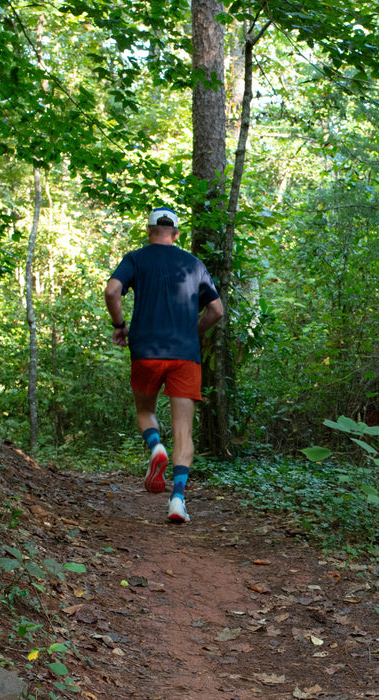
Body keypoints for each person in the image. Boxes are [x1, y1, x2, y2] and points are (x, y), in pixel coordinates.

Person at [104, 206, 224, 523]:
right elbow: (217, 311)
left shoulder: (136, 258)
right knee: (184, 431)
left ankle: (156, 447)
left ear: (149, 231)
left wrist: (119, 325)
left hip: (145, 350)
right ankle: (177, 500)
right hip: (185, 355)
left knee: (145, 411)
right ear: (176, 234)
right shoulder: (194, 264)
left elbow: (112, 290)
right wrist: (193, 332)